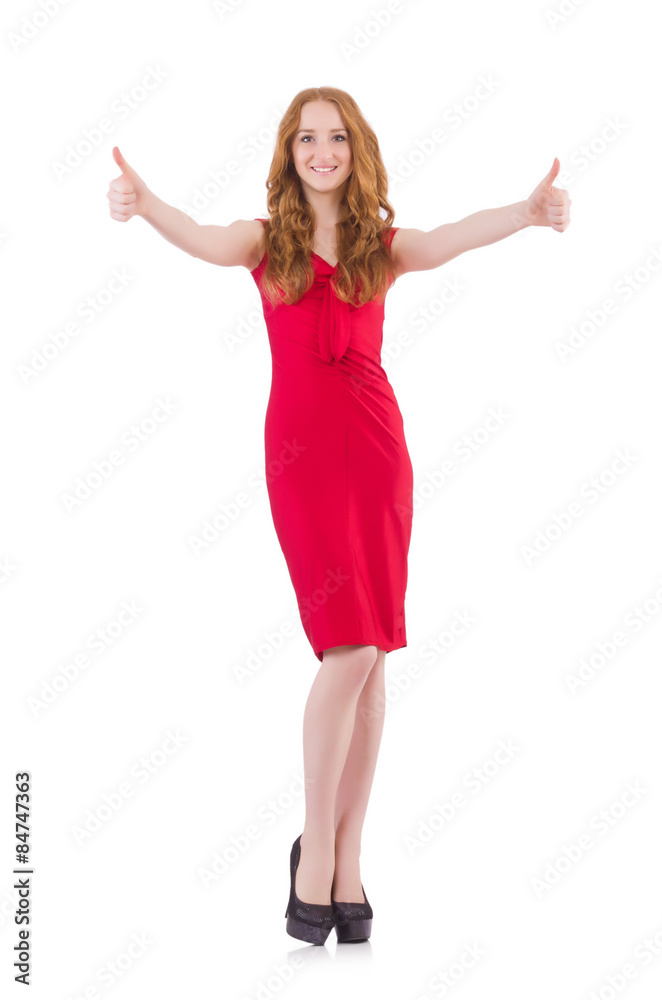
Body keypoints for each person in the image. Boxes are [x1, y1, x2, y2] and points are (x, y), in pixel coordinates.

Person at [107, 85, 571, 946]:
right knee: (348, 645)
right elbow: (202, 239)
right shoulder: (264, 240)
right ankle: (314, 841)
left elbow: (449, 237)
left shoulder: (379, 247)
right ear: (290, 152)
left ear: (356, 150)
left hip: (377, 455)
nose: (322, 152)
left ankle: (349, 856)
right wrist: (143, 204)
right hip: (304, 460)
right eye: (307, 139)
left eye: (337, 139)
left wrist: (528, 211)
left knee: (374, 660)